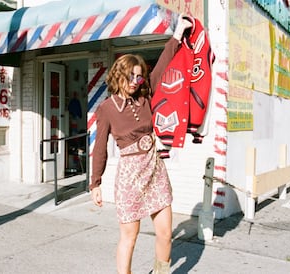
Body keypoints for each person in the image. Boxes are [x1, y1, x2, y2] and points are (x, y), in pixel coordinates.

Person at [90, 15, 192, 274]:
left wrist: (178, 33)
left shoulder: (145, 97)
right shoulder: (106, 109)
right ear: (120, 75)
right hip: (130, 176)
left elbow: (161, 67)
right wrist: (95, 183)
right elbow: (99, 147)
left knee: (166, 233)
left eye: (139, 76)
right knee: (130, 237)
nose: (137, 81)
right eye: (132, 76)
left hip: (155, 170)